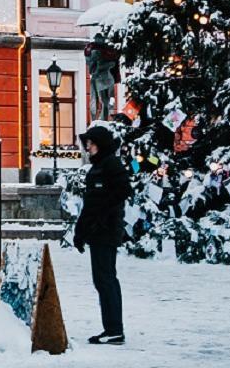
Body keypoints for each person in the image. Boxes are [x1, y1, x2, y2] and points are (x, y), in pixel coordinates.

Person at [73, 125, 131, 345]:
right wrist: (81, 232)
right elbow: (90, 205)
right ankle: (112, 328)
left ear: (101, 144)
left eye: (91, 143)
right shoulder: (97, 168)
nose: (87, 147)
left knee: (106, 280)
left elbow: (121, 192)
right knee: (102, 280)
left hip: (105, 231)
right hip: (98, 232)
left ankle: (115, 329)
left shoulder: (111, 165)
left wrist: (102, 218)